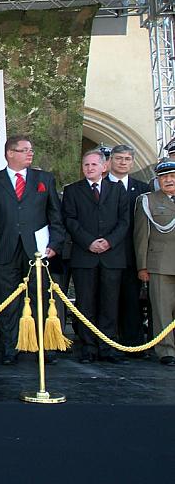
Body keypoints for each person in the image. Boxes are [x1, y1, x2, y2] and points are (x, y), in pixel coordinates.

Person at [0, 136, 65, 365]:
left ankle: (45, 347)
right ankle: (11, 347)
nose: (30, 154)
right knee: (8, 301)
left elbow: (55, 215)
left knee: (40, 298)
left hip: (37, 251)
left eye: (31, 150)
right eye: (24, 150)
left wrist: (55, 244)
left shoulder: (44, 179)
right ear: (10, 153)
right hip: (5, 249)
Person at [62, 150, 129, 364]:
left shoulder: (118, 190)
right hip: (84, 255)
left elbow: (124, 221)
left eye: (93, 165)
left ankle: (107, 346)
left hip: (112, 255)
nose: (89, 168)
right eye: (86, 165)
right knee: (86, 304)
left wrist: (108, 241)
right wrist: (88, 241)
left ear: (104, 167)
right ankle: (88, 347)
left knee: (109, 303)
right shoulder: (72, 191)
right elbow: (70, 220)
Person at [107, 145, 151, 351]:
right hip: (106, 253)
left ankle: (133, 343)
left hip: (133, 253)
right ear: (110, 161)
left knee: (132, 300)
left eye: (127, 159)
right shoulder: (100, 185)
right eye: (118, 158)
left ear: (132, 162)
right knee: (108, 301)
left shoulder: (143, 189)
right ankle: (107, 342)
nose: (123, 162)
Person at [134, 160, 175, 366]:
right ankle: (166, 351)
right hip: (160, 264)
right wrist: (142, 266)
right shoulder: (147, 201)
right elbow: (141, 236)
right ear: (158, 180)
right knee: (162, 310)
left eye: (172, 176)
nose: (169, 180)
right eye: (164, 177)